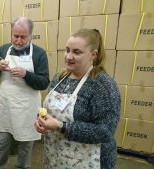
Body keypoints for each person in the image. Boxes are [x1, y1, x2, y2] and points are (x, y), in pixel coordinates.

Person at [34, 28, 121, 169]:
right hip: (55, 157)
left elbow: (105, 132)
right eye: (67, 50)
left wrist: (61, 126)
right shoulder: (59, 78)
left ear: (93, 55)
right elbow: (50, 111)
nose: (68, 56)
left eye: (76, 52)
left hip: (88, 161)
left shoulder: (103, 85)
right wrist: (41, 121)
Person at [0, 16, 50, 169]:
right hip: (6, 107)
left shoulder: (39, 54)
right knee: (1, 145)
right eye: (16, 36)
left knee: (25, 146)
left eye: (23, 37)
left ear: (31, 36)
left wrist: (26, 74)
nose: (19, 40)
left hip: (26, 109)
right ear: (11, 34)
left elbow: (44, 82)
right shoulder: (4, 49)